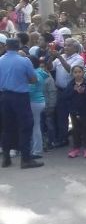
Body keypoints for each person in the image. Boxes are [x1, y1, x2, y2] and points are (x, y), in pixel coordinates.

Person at [0, 38, 42, 169]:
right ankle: (25, 159)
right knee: (25, 126)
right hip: (20, 96)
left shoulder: (0, 61)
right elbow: (34, 79)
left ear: (6, 47)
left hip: (5, 96)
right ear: (18, 47)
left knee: (7, 127)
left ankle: (6, 157)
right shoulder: (24, 61)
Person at [52, 38, 85, 148]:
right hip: (60, 90)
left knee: (75, 115)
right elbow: (50, 67)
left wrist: (59, 57)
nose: (65, 47)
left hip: (72, 90)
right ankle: (63, 138)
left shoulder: (78, 58)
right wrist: (51, 57)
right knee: (61, 115)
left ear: (75, 47)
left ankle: (79, 138)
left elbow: (71, 71)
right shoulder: (61, 57)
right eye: (65, 45)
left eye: (69, 45)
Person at [64, 65, 86, 158]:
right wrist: (74, 91)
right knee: (75, 129)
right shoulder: (71, 84)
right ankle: (75, 148)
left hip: (85, 110)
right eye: (75, 72)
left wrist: (83, 92)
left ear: (83, 72)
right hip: (74, 110)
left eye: (79, 72)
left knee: (85, 129)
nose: (77, 74)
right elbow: (66, 96)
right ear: (72, 74)